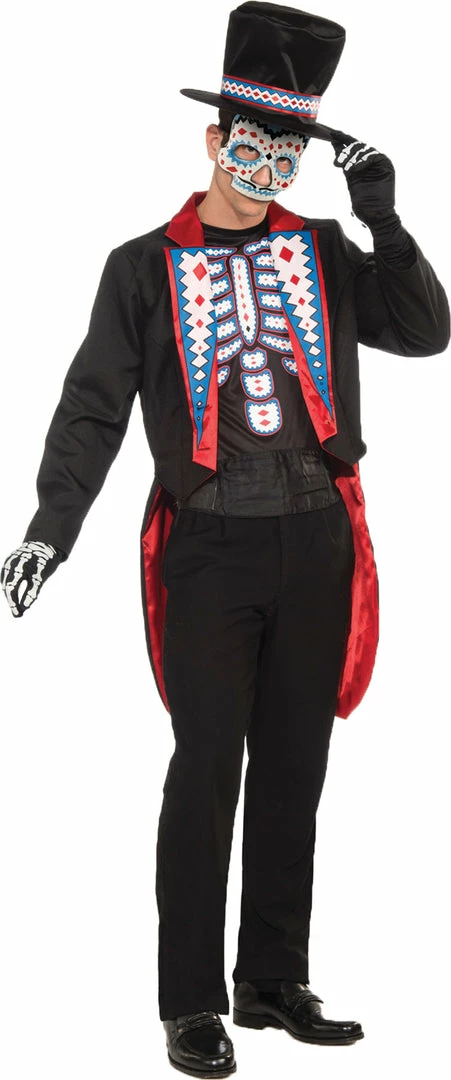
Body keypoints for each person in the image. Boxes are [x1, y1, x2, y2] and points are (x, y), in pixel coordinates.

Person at [1, 3, 449, 1077]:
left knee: (296, 764)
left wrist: (385, 225)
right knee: (204, 771)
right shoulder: (139, 267)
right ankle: (191, 1003)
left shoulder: (327, 251)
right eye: (250, 143)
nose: (266, 165)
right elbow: (92, 408)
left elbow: (425, 331)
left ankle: (271, 981)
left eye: (287, 149)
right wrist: (49, 531)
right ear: (213, 139)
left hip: (317, 539)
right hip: (209, 547)